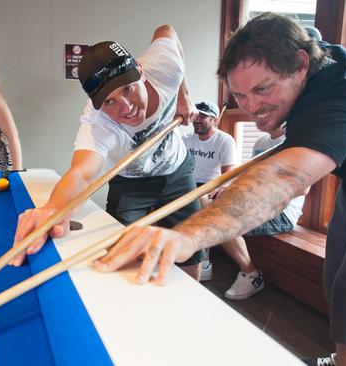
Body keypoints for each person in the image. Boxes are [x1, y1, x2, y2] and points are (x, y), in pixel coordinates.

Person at [93, 13, 346, 366]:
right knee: (337, 285)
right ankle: (344, 359)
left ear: (301, 65)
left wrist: (186, 237)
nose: (250, 107)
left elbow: (283, 180)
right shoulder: (298, 48)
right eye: (240, 94)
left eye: (263, 89)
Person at [11, 25, 205, 280]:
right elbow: (81, 174)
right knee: (119, 253)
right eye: (109, 101)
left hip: (177, 171)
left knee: (189, 249)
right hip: (130, 183)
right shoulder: (98, 122)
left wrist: (184, 95)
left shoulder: (166, 67)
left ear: (141, 72)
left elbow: (167, 30)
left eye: (127, 88)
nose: (126, 108)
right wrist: (53, 210)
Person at [220, 123, 309, 301]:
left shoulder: (295, 145)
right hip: (256, 204)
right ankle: (203, 261)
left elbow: (302, 189)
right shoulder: (261, 142)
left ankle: (251, 275)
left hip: (282, 213)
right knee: (207, 203)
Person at [182, 100, 237, 281]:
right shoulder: (186, 139)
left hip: (211, 186)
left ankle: (203, 259)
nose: (197, 119)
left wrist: (221, 186)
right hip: (188, 183)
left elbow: (228, 174)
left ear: (215, 120)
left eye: (203, 116)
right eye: (196, 115)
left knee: (202, 202)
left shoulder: (224, 140)